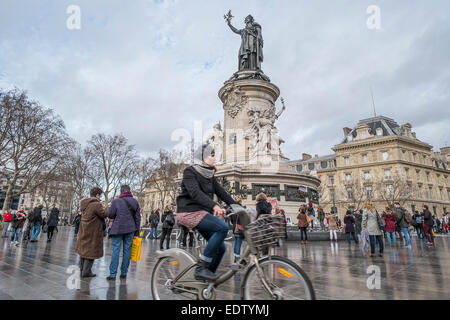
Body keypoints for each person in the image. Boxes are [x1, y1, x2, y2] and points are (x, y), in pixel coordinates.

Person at [176, 144, 238, 281]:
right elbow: (194, 193)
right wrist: (214, 205)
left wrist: (239, 207)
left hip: (202, 213)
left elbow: (222, 192)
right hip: (188, 212)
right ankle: (201, 268)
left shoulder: (210, 176)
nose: (215, 158)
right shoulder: (189, 172)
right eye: (212, 154)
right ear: (202, 157)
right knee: (223, 227)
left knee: (220, 248)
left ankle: (205, 281)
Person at [106, 185, 141, 280]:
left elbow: (110, 215)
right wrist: (136, 233)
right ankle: (124, 273)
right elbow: (138, 218)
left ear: (121, 192)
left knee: (116, 250)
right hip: (130, 229)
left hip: (117, 228)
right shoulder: (135, 202)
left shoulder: (116, 201)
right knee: (127, 251)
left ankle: (113, 274)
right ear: (129, 191)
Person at [76, 187, 108, 278]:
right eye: (100, 195)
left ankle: (82, 269)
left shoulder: (85, 203)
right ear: (97, 195)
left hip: (84, 229)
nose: (100, 197)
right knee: (91, 251)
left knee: (83, 251)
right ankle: (86, 271)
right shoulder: (96, 204)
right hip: (93, 231)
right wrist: (108, 208)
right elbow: (104, 214)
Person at [230, 196, 245, 262]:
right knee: (239, 242)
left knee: (236, 242)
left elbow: (231, 219)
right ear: (240, 201)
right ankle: (237, 257)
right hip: (240, 227)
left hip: (234, 227)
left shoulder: (233, 208)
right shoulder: (242, 208)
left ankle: (235, 256)